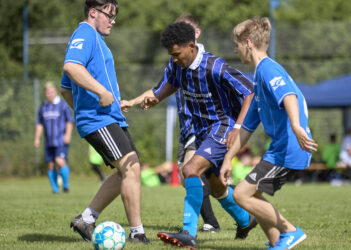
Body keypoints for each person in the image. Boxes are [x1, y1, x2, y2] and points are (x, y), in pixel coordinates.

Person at [124, 21, 256, 249]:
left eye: (177, 54)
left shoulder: (215, 67)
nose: (174, 59)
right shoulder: (178, 65)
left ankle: (188, 233)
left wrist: (238, 128)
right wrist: (156, 98)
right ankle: (246, 220)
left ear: (191, 46)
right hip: (201, 129)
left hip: (222, 126)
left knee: (189, 170)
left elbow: (250, 90)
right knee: (215, 187)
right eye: (171, 55)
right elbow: (172, 84)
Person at [220, 17, 318, 250]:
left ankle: (290, 231)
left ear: (249, 43)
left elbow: (289, 96)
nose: (235, 49)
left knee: (241, 195)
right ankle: (277, 242)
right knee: (251, 195)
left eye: (237, 43)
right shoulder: (259, 79)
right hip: (281, 148)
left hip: (289, 147)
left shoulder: (267, 69)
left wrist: (296, 126)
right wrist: (227, 159)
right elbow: (246, 129)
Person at [60, 0, 149, 244]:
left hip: (107, 116)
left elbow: (66, 89)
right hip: (99, 119)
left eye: (114, 15)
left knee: (126, 172)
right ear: (93, 12)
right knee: (131, 167)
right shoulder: (85, 34)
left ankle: (86, 220)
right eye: (110, 14)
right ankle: (137, 233)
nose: (113, 20)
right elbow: (71, 67)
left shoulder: (96, 40)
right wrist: (100, 94)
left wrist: (107, 99)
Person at [122, 14, 221, 233]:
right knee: (210, 184)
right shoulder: (176, 61)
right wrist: (134, 100)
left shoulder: (208, 63)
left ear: (196, 34)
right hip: (186, 128)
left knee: (190, 171)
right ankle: (242, 217)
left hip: (204, 127)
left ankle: (198, 228)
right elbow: (159, 90)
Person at [34, 82, 73, 194]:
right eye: (47, 92)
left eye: (51, 92)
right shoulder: (43, 107)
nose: (49, 94)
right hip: (48, 141)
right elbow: (39, 124)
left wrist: (68, 135)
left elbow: (69, 121)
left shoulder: (63, 105)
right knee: (51, 165)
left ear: (55, 91)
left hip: (60, 140)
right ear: (45, 94)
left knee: (59, 161)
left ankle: (65, 186)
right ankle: (55, 189)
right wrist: (37, 138)